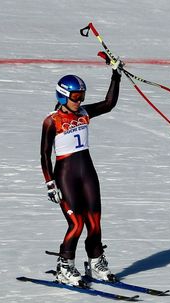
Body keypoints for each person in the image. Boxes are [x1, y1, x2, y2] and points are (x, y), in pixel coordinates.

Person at [40, 58, 123, 286]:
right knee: (76, 224)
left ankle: (96, 261)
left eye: (82, 96)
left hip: (87, 173)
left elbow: (108, 103)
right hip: (66, 176)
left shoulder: (84, 113)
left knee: (94, 221)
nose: (80, 101)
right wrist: (50, 184)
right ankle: (65, 265)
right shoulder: (52, 121)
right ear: (63, 95)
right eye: (76, 97)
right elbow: (44, 155)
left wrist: (116, 75)